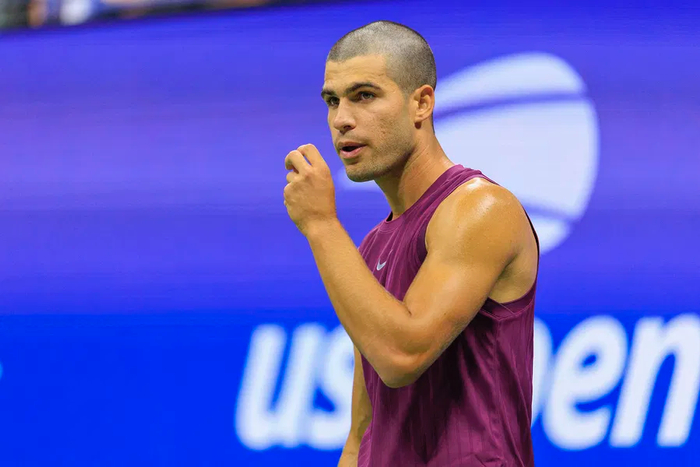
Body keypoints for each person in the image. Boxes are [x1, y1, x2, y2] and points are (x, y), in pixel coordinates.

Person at [283, 20, 539, 467]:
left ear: (421, 103)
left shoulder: (481, 209)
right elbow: (363, 431)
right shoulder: (372, 245)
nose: (342, 119)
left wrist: (321, 224)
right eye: (332, 101)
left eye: (364, 95)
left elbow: (402, 355)